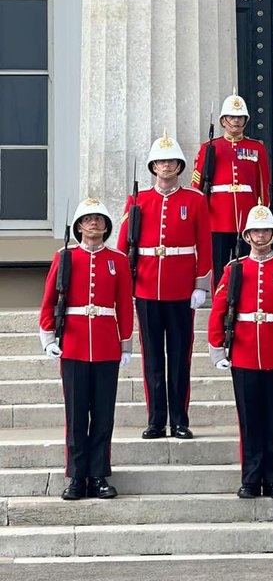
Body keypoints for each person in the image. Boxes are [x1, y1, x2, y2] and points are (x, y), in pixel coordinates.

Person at [208, 204, 273, 498]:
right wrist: (217, 348)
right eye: (255, 231)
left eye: (265, 230)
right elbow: (219, 309)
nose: (260, 236)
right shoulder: (234, 268)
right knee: (249, 421)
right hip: (245, 353)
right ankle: (251, 478)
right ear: (247, 235)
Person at [118, 131, 212, 440]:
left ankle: (180, 419)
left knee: (180, 356)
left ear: (179, 166)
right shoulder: (139, 201)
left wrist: (201, 285)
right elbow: (122, 248)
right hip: (146, 287)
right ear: (153, 167)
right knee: (153, 358)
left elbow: (204, 246)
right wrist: (124, 285)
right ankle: (156, 419)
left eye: (171, 161)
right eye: (160, 162)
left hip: (182, 289)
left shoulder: (195, 201)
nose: (166, 166)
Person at [38, 198, 134, 501]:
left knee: (103, 416)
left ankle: (99, 474)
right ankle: (77, 476)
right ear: (79, 226)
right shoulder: (64, 257)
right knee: (77, 415)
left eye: (99, 219)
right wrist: (49, 338)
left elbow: (124, 305)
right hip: (75, 344)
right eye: (88, 219)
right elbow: (50, 300)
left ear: (106, 226)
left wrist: (125, 344)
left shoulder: (117, 260)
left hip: (106, 346)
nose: (94, 223)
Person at [192, 89, 271, 288]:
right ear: (223, 121)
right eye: (231, 117)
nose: (236, 121)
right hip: (218, 216)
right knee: (218, 265)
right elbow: (197, 186)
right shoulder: (210, 148)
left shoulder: (256, 148)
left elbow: (263, 184)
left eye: (240, 117)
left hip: (247, 216)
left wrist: (262, 214)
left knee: (247, 264)